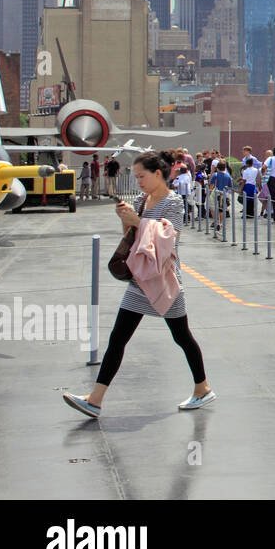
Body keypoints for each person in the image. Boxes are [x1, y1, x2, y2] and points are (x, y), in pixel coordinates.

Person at [62, 150, 215, 419]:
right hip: (140, 280)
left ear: (158, 174)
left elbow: (170, 240)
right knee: (118, 338)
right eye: (136, 177)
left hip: (165, 281)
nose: (139, 182)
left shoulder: (173, 202)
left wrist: (138, 221)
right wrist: (127, 220)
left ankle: (202, 388)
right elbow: (135, 238)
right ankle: (95, 399)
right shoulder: (143, 200)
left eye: (142, 176)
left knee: (182, 336)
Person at [210, 160, 234, 230]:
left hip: (216, 192)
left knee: (212, 207)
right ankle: (220, 223)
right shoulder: (228, 176)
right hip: (224, 194)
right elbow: (230, 186)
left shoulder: (215, 174)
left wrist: (209, 192)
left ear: (217, 168)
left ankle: (216, 221)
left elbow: (212, 185)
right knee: (221, 209)